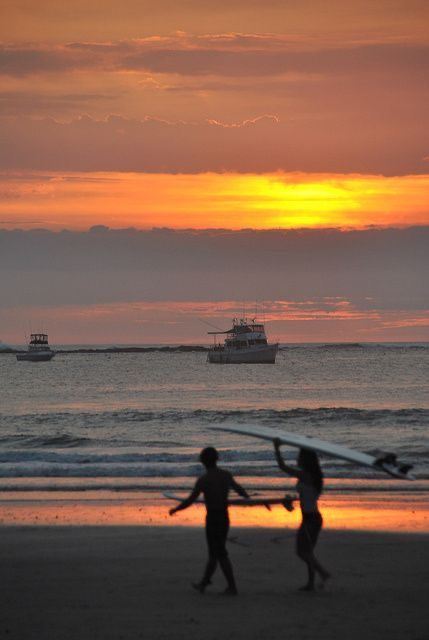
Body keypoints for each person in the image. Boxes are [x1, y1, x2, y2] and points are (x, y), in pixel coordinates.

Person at [169, 446, 249, 595]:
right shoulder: (226, 475)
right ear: (217, 459)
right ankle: (204, 583)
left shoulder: (203, 480)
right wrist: (249, 499)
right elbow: (241, 491)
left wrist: (176, 509)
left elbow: (190, 500)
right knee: (215, 552)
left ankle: (232, 587)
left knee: (219, 552)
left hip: (212, 518)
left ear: (203, 462)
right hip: (224, 517)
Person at [273, 439, 331, 591]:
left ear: (305, 460)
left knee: (302, 551)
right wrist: (290, 502)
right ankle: (311, 584)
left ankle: (323, 572)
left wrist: (276, 447)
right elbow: (306, 497)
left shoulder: (306, 475)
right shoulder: (314, 475)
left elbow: (282, 467)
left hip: (311, 520)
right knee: (308, 552)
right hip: (312, 518)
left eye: (300, 456)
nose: (297, 459)